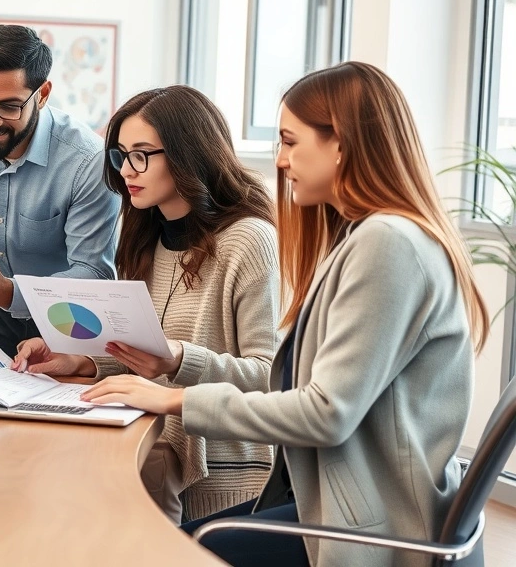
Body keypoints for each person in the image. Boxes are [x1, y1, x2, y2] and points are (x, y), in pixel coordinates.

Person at [82, 62, 486, 567]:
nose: (280, 160)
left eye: (291, 142)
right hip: (350, 503)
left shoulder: (388, 244)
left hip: (373, 527)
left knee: (162, 550)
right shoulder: (369, 237)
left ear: (340, 144)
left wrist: (178, 398)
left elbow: (325, 413)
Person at [10, 85, 277, 522]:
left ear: (188, 153)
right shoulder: (144, 237)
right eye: (119, 155)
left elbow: (270, 379)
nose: (127, 170)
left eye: (141, 154)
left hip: (227, 482)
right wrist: (79, 362)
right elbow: (145, 359)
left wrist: (179, 360)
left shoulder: (248, 240)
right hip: (153, 450)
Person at [0, 25, 120, 356]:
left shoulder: (88, 161)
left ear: (42, 94)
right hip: (2, 317)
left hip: (73, 322)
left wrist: (8, 293)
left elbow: (96, 275)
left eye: (9, 107)